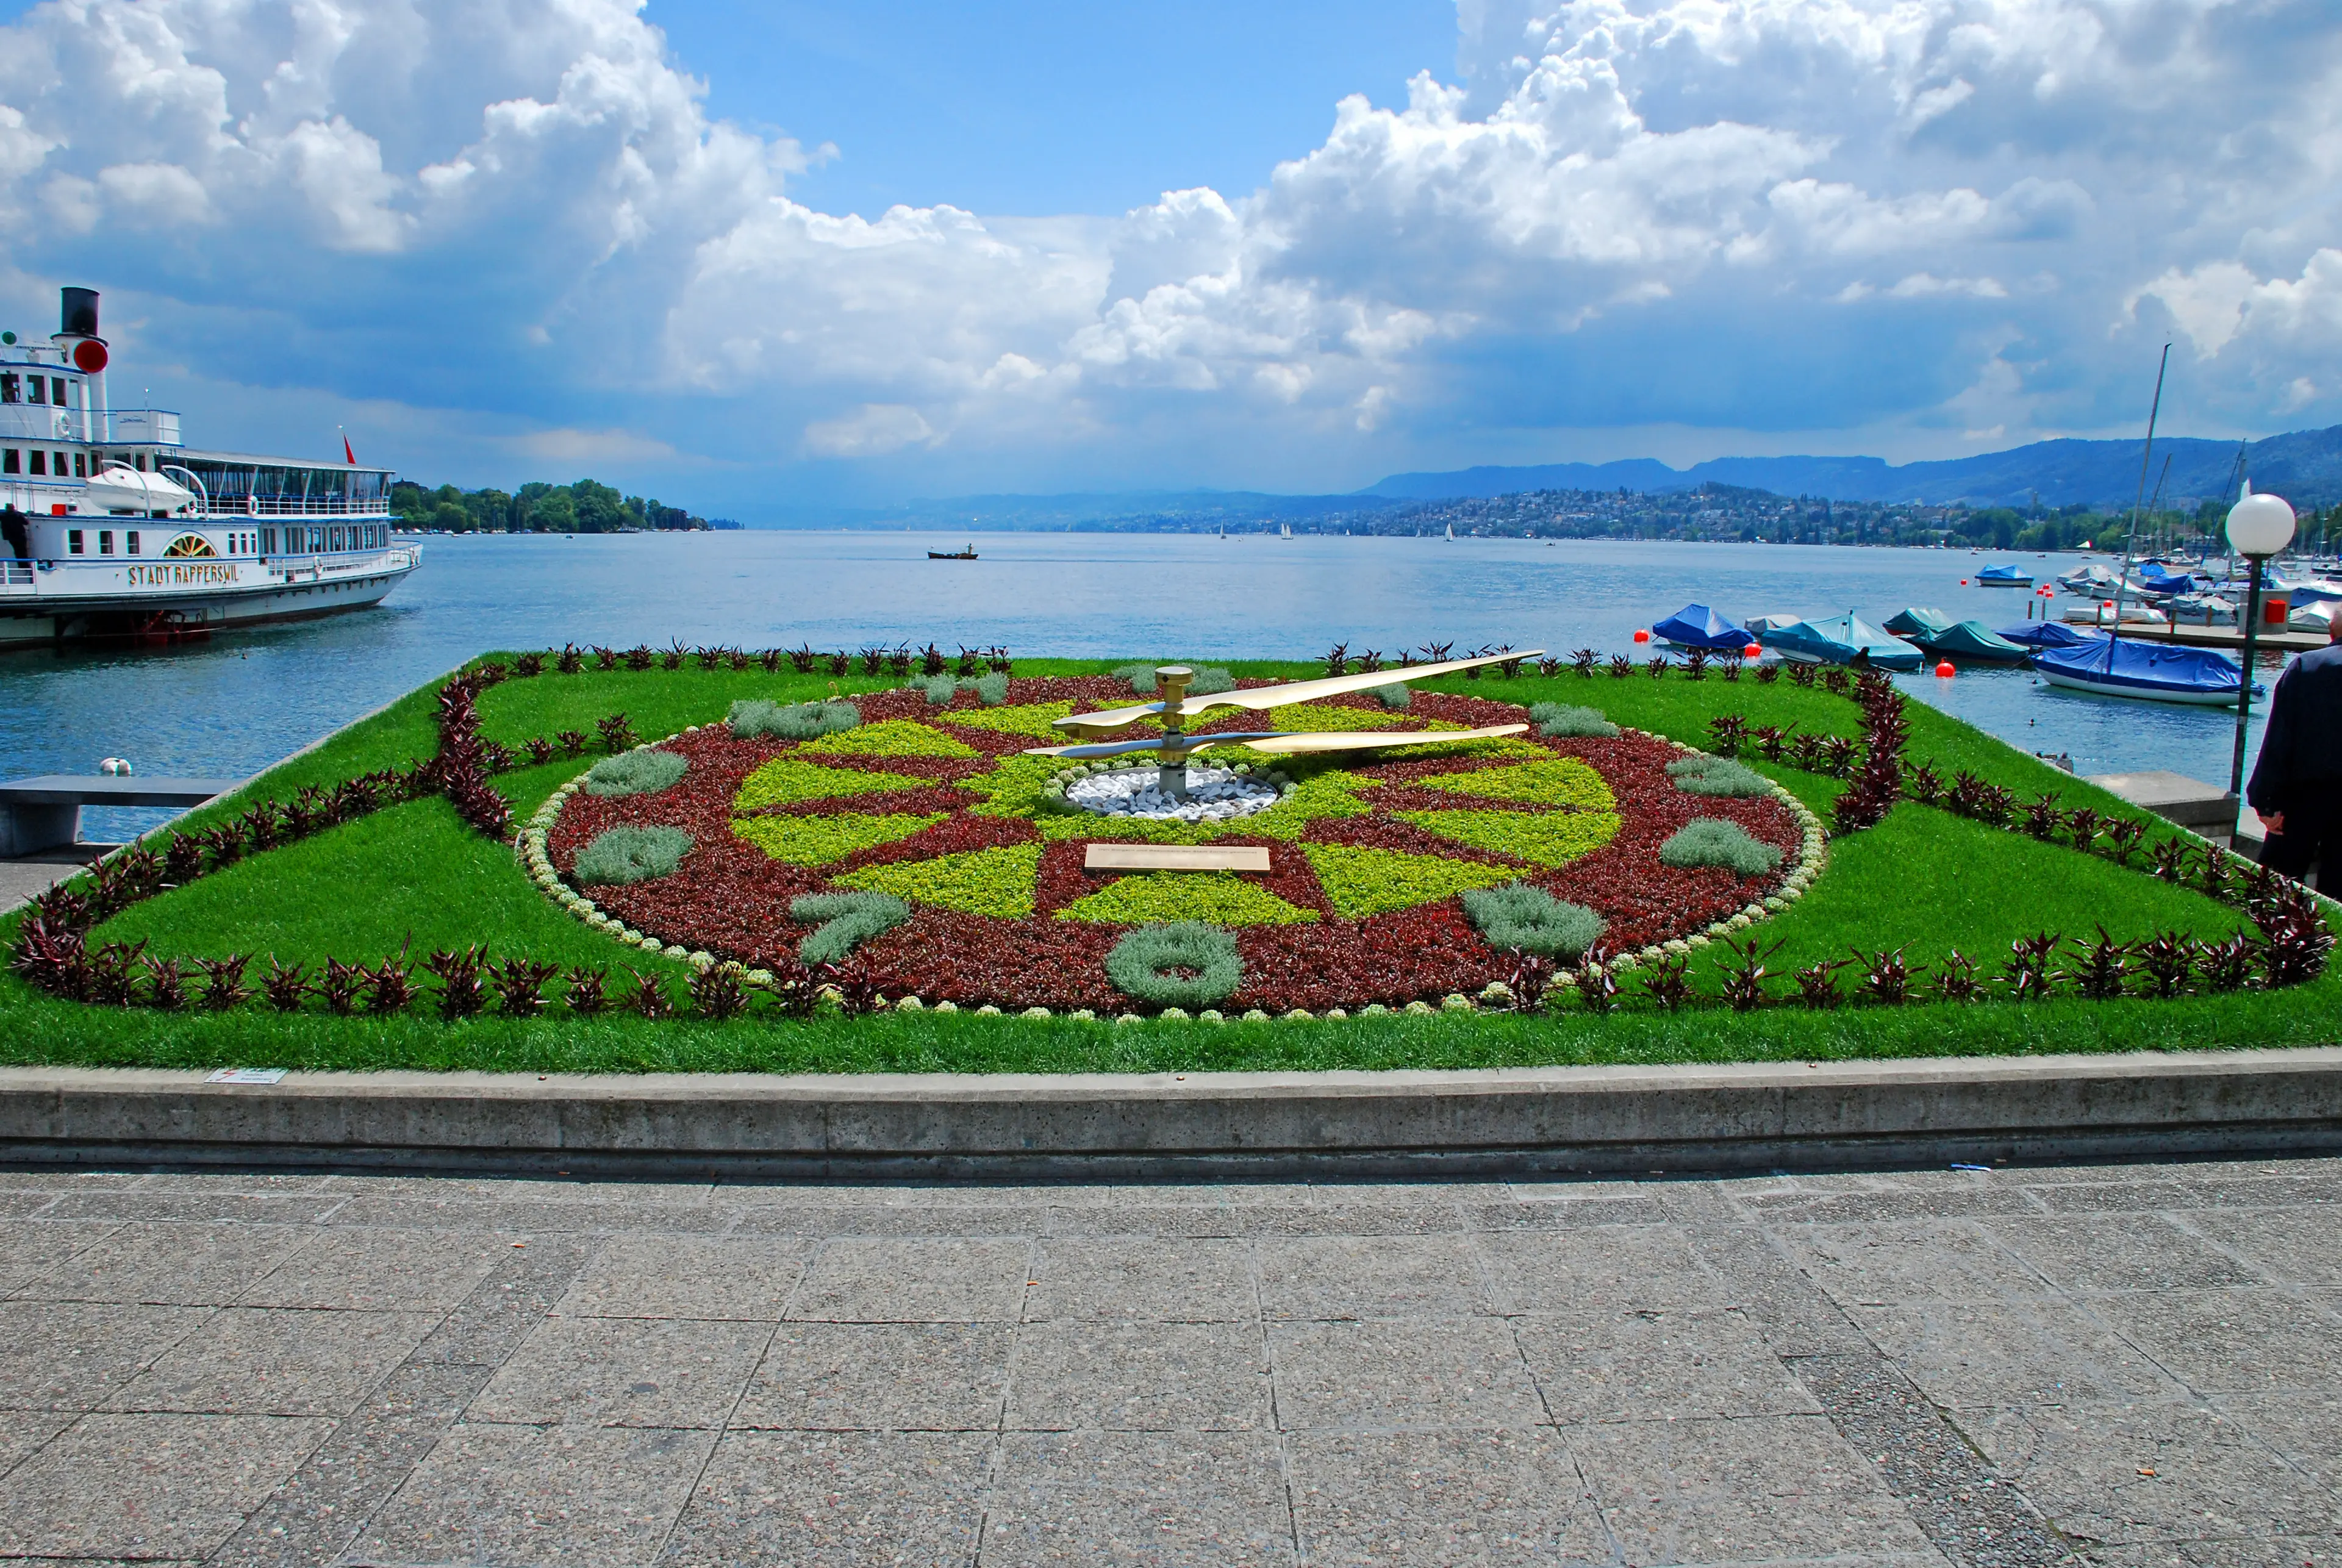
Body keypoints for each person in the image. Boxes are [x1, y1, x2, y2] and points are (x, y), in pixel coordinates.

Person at [2247, 615, 2342, 892]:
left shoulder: (2306, 667)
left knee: (2276, 889)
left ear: (2330, 631)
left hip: (2302, 799)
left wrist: (2265, 800)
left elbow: (2279, 738)